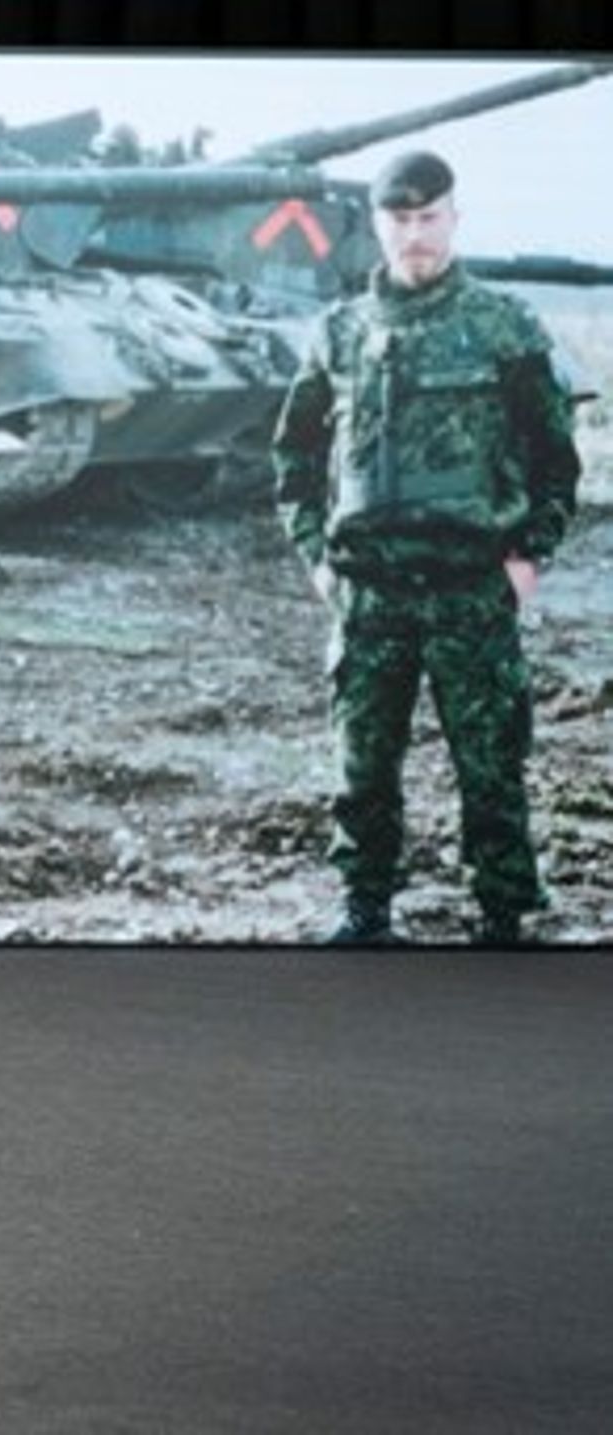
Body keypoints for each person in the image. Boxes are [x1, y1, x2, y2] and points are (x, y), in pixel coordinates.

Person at [272, 149, 580, 947]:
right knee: (363, 767)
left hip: (471, 586)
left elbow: (554, 456)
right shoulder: (338, 333)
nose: (415, 234)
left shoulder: (503, 325)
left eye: (429, 217)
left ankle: (504, 915)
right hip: (369, 593)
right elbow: (295, 458)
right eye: (400, 220)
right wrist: (314, 554)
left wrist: (528, 555)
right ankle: (365, 908)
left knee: (490, 764)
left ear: (453, 217)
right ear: (378, 225)